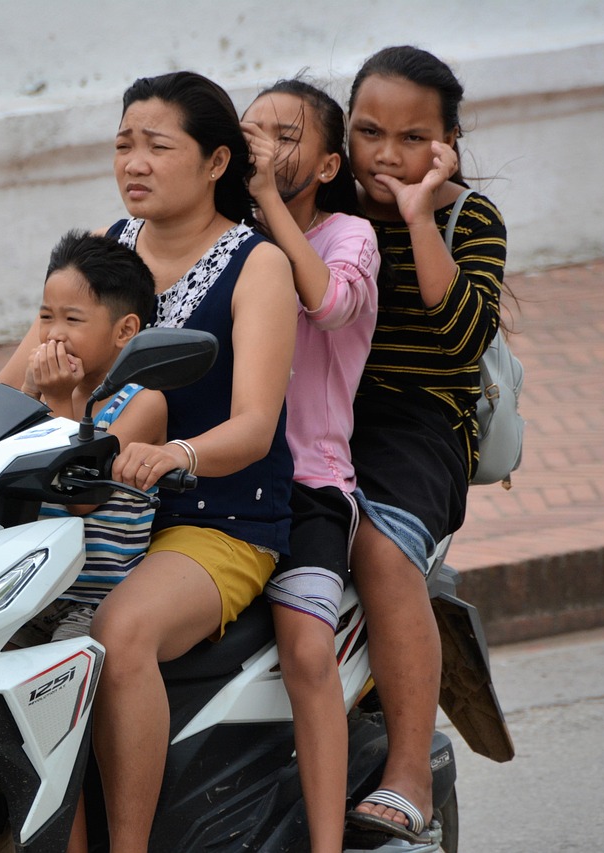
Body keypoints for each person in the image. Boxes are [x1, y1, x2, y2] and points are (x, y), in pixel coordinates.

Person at [0, 70, 297, 853]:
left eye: (158, 146)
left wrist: (174, 455)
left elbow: (256, 425)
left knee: (118, 630)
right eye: (124, 143)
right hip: (94, 505)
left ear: (216, 162)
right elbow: (10, 384)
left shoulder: (257, 264)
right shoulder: (106, 247)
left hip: (217, 516)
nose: (134, 162)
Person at [340, 46, 508, 843]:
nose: (386, 154)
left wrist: (415, 218)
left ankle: (409, 772)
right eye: (369, 131)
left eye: (412, 138)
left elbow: (463, 339)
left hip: (422, 423)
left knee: (379, 550)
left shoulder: (468, 219)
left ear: (448, 143)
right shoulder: (325, 208)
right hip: (324, 414)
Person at [240, 78, 379, 853]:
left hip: (311, 485)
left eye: (285, 135)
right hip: (221, 481)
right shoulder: (224, 236)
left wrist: (267, 203)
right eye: (250, 131)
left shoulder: (348, 235)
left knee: (304, 648)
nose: (263, 144)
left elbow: (328, 304)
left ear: (328, 166)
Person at [11, 228, 167, 644]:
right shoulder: (44, 395)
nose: (54, 334)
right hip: (29, 590)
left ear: (124, 330)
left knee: (57, 671)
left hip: (93, 602)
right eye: (46, 317)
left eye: (73, 319)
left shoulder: (142, 403)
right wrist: (28, 393)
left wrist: (58, 398)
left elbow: (80, 496)